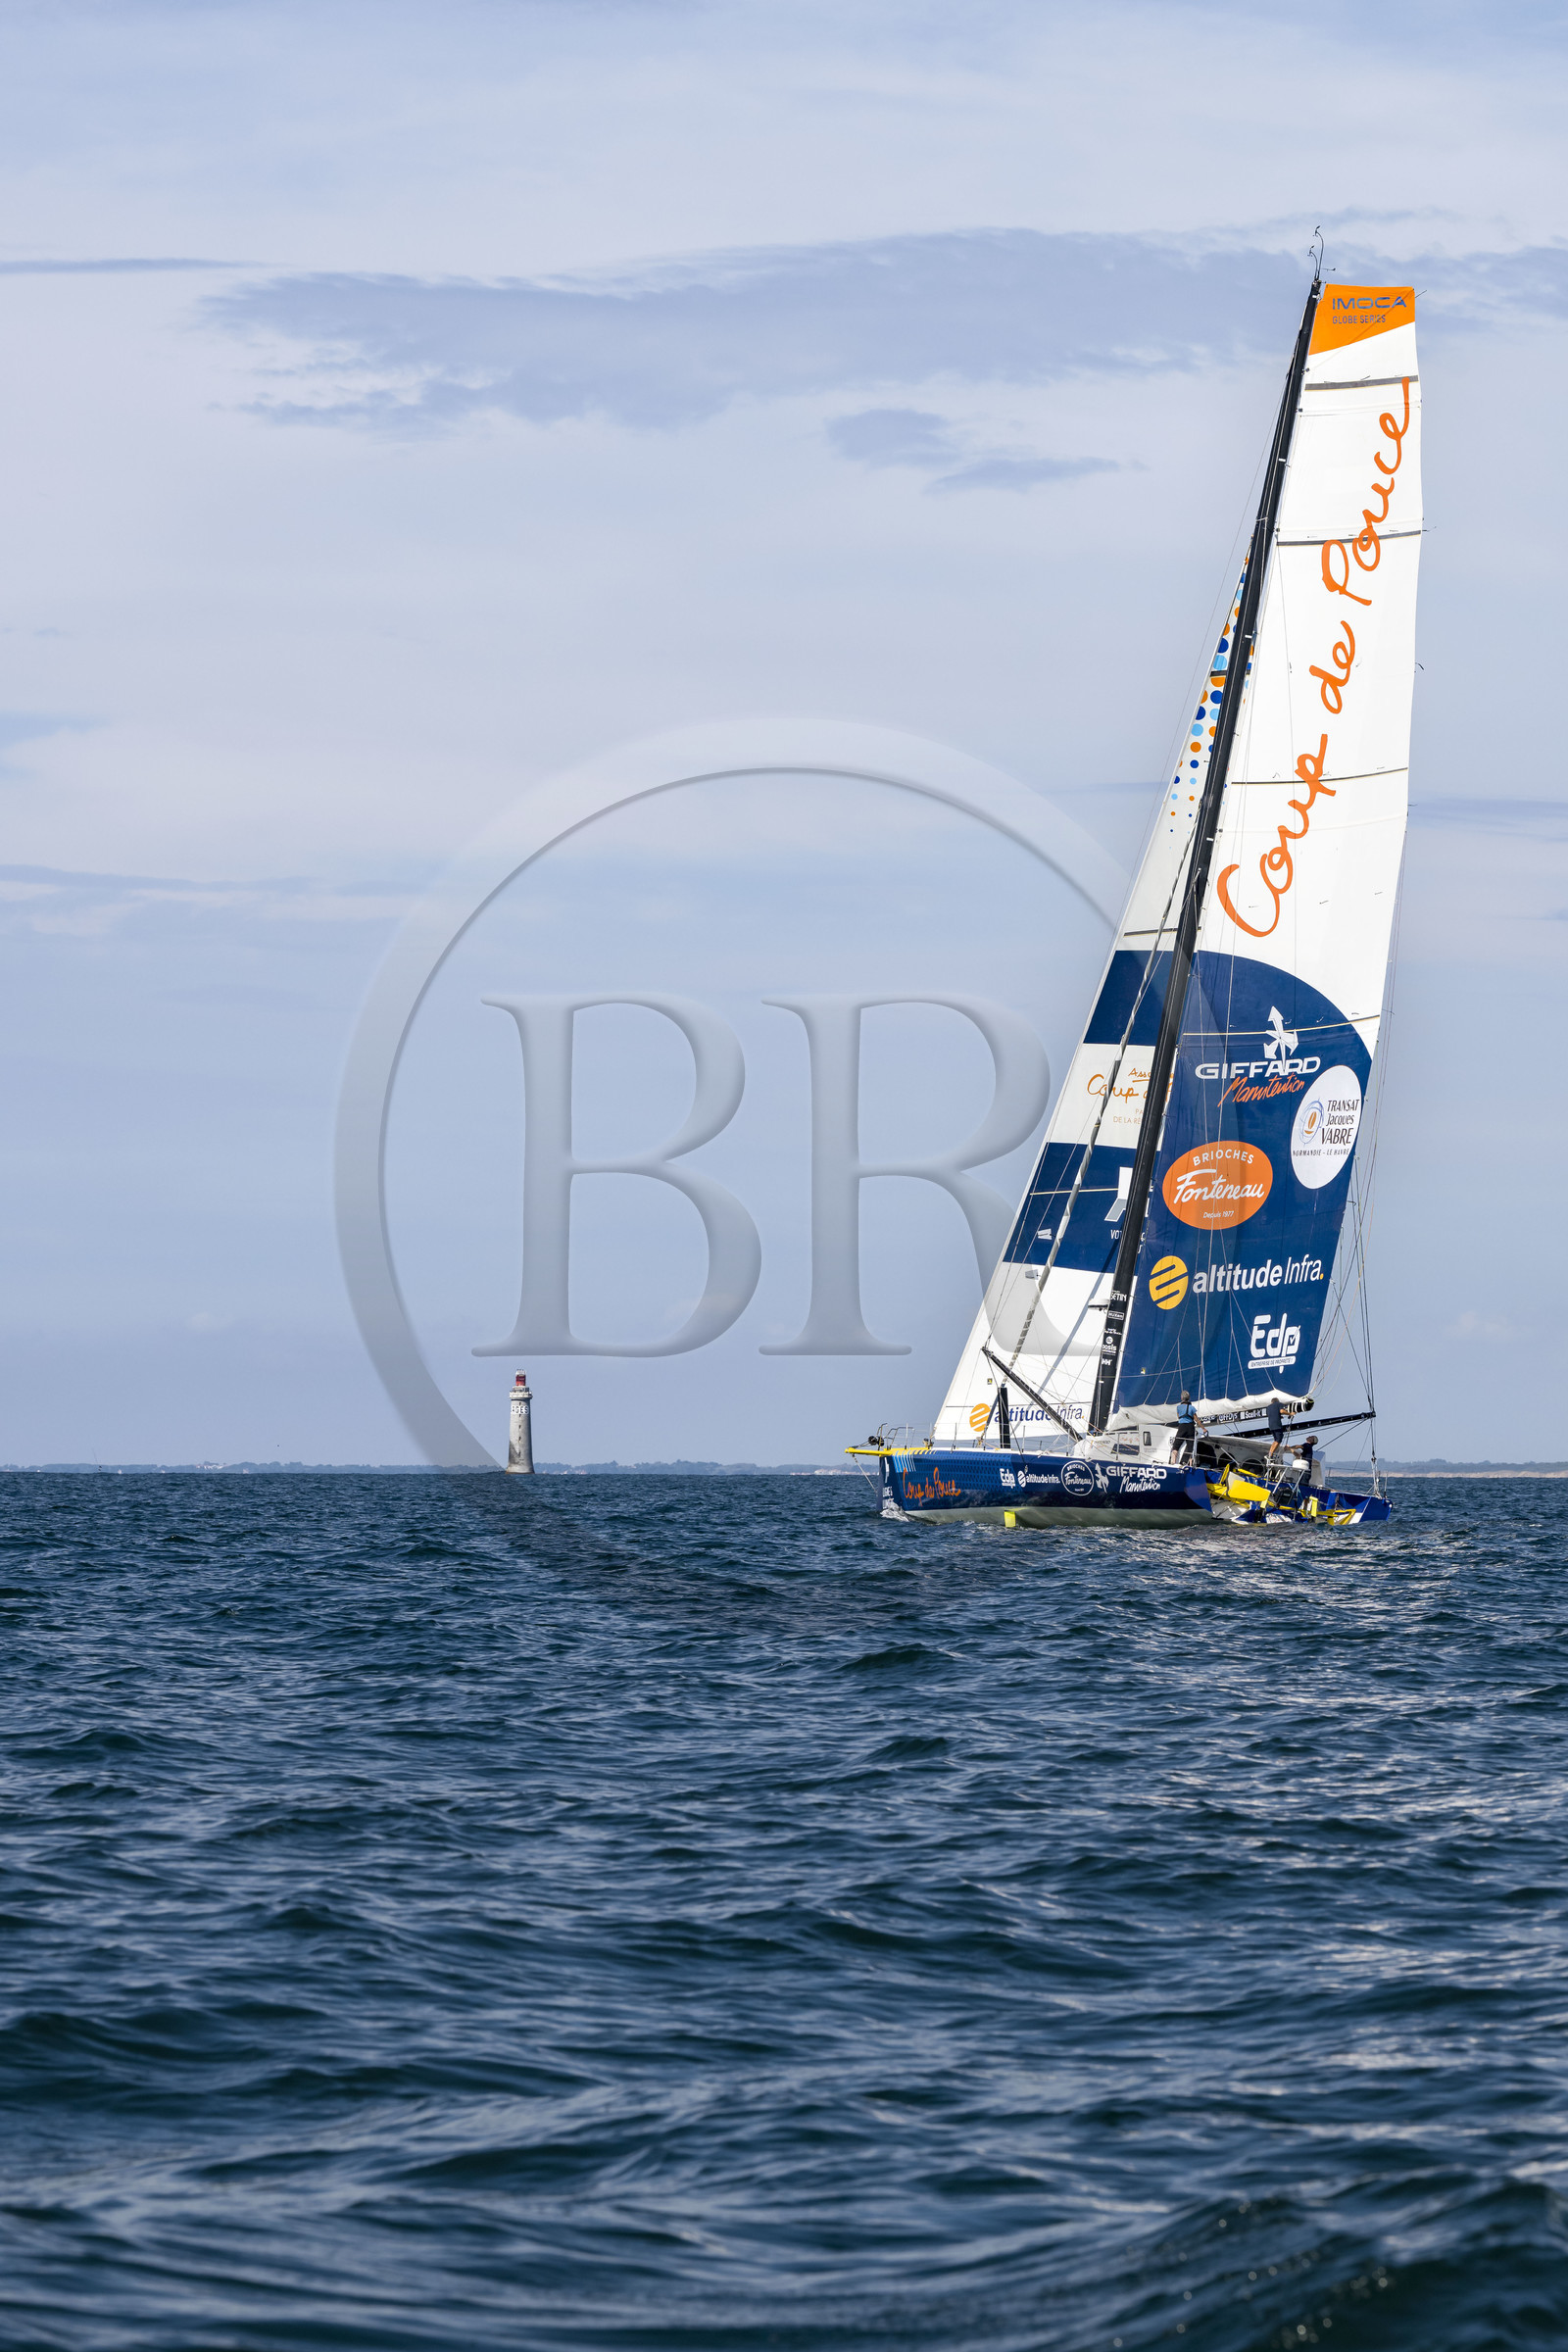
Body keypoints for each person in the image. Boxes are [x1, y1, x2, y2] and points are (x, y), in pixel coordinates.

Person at [1174, 1391, 1197, 1462]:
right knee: (1190, 1448)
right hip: (1190, 1428)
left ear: (1181, 1398)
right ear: (1188, 1398)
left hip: (1182, 1427)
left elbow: (1179, 1417)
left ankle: (1173, 1462)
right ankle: (1189, 1464)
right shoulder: (1192, 1408)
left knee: (1175, 1446)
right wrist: (1203, 1428)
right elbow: (1196, 1419)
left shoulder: (1178, 1407)